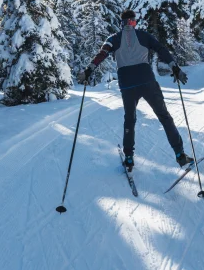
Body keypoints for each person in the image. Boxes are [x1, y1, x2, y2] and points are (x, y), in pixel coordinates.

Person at [77, 10, 193, 172]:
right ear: (133, 22)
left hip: (127, 84)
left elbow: (101, 54)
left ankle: (129, 158)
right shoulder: (144, 36)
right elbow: (161, 49)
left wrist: (88, 71)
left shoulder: (113, 39)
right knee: (164, 116)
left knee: (129, 120)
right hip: (147, 81)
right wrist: (174, 67)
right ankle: (180, 155)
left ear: (122, 23)